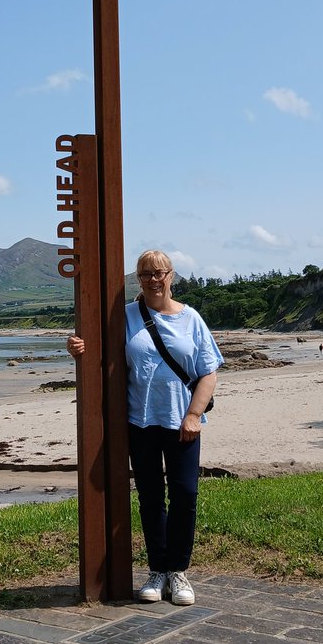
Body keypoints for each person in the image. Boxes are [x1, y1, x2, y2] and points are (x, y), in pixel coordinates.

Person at [67, 249, 223, 606]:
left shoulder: (192, 319)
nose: (153, 280)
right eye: (145, 274)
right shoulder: (126, 317)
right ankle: (157, 570)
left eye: (159, 273)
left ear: (171, 276)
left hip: (182, 423)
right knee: (151, 499)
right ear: (137, 280)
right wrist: (78, 349)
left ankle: (178, 572)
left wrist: (193, 416)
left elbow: (209, 372)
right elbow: (100, 353)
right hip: (140, 423)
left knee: (185, 495)